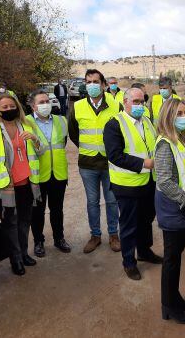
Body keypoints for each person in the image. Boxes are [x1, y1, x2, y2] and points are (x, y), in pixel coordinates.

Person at [0, 94, 42, 275]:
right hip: (4, 187)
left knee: (24, 222)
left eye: (11, 106)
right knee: (10, 224)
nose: (8, 110)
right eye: (4, 107)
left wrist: (35, 140)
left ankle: (23, 253)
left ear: (17, 108)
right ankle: (16, 259)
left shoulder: (26, 124)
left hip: (28, 183)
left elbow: (41, 151)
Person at [104, 87, 162, 281]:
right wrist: (143, 164)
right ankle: (129, 262)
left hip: (149, 182)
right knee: (129, 225)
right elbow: (115, 156)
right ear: (125, 101)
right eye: (135, 101)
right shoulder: (114, 124)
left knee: (146, 220)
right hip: (127, 185)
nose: (139, 105)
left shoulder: (146, 121)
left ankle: (144, 251)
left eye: (142, 102)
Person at [154, 98, 185, 325]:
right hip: (174, 208)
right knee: (171, 259)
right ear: (168, 116)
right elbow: (164, 181)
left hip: (183, 207)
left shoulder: (182, 138)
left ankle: (175, 297)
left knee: (177, 256)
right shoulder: (165, 144)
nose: (184, 117)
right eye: (179, 114)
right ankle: (169, 306)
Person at [68, 69, 121, 254]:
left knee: (112, 201)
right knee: (92, 201)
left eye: (96, 81)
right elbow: (73, 133)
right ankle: (95, 235)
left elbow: (122, 132)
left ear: (104, 84)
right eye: (88, 81)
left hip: (110, 164)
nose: (92, 85)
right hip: (87, 165)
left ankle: (114, 235)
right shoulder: (78, 106)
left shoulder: (116, 105)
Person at [27, 90, 71, 257]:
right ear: (33, 105)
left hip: (58, 173)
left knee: (57, 209)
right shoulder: (26, 122)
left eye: (47, 101)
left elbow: (62, 143)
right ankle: (39, 241)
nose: (46, 104)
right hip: (37, 176)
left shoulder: (61, 120)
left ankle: (59, 239)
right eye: (41, 102)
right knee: (37, 211)